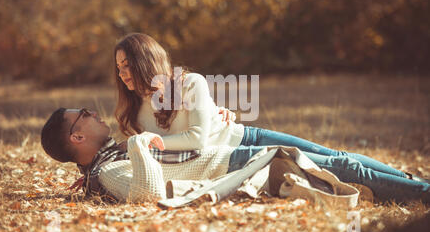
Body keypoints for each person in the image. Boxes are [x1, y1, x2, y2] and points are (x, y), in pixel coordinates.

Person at [113, 33, 429, 186]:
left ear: (147, 61)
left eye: (128, 65)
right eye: (119, 68)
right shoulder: (132, 114)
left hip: (246, 137)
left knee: (338, 159)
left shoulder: (189, 82)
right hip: (233, 160)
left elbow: (196, 138)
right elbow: (148, 157)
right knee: (335, 168)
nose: (123, 74)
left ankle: (412, 184)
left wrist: (162, 139)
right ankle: (414, 187)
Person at [40, 108, 430, 204]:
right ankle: (422, 193)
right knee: (345, 167)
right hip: (237, 165)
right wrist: (139, 144)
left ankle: (416, 187)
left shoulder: (108, 157)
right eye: (84, 116)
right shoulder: (108, 171)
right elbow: (147, 193)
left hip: (230, 152)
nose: (93, 113)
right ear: (76, 136)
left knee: (344, 161)